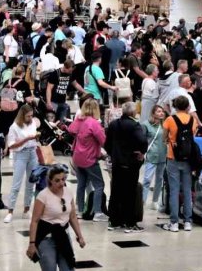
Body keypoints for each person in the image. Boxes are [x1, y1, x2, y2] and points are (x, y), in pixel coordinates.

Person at [26, 165, 86, 271]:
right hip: (46, 240)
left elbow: (72, 216)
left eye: (63, 179)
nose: (61, 183)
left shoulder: (68, 192)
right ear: (50, 181)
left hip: (63, 237)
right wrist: (32, 243)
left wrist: (79, 236)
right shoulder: (43, 196)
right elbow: (35, 221)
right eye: (57, 180)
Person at [104, 101, 148, 232]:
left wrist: (113, 154)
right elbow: (143, 141)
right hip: (131, 163)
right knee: (130, 192)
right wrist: (141, 153)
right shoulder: (135, 125)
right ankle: (129, 223)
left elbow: (107, 144)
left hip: (117, 162)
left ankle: (114, 221)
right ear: (133, 112)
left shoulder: (113, 124)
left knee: (116, 191)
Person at [66, 98, 107, 221]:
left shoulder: (79, 120)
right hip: (90, 158)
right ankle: (98, 213)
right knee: (99, 185)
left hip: (78, 157)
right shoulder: (94, 123)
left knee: (81, 184)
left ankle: (79, 211)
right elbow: (103, 140)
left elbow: (71, 130)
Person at [162, 95, 198, 232]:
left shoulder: (170, 119)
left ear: (175, 106)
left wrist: (169, 141)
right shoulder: (192, 120)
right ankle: (188, 221)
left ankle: (174, 222)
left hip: (173, 157)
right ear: (188, 106)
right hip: (189, 158)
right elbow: (193, 134)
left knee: (174, 190)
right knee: (187, 190)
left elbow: (164, 137)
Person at [4, 104, 41, 224]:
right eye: (28, 116)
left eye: (31, 115)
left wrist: (36, 138)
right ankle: (10, 211)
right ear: (22, 115)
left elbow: (34, 139)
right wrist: (26, 139)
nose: (30, 118)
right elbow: (11, 145)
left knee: (31, 183)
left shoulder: (33, 123)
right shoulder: (14, 127)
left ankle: (26, 209)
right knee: (16, 183)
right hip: (20, 154)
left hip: (33, 153)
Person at [141, 105, 167, 211]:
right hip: (151, 155)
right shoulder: (145, 125)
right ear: (153, 113)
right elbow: (142, 140)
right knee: (147, 179)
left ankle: (155, 201)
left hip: (162, 155)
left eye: (162, 111)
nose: (161, 113)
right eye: (159, 111)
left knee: (159, 179)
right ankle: (142, 201)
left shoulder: (165, 125)